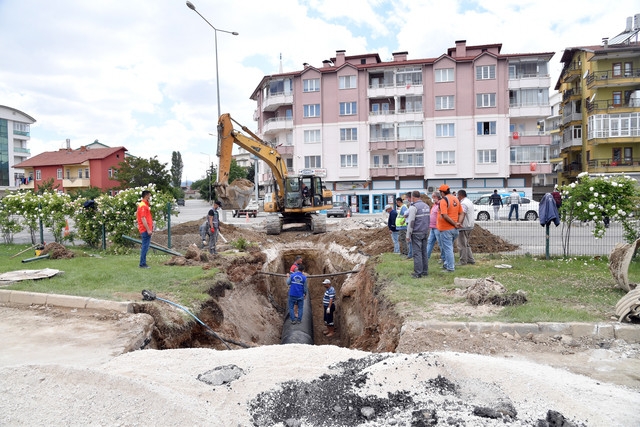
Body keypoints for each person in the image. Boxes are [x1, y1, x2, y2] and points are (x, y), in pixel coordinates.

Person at [437, 184, 462, 272]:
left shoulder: (443, 201)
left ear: (442, 192)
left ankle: (450, 268)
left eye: (440, 192)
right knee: (449, 247)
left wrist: (455, 224)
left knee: (448, 249)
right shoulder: (455, 199)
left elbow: (444, 215)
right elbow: (461, 213)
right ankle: (447, 264)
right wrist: (458, 223)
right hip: (454, 230)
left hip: (446, 229)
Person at [405, 190, 430, 278]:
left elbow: (411, 222)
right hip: (425, 232)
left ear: (413, 197)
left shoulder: (413, 207)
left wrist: (408, 235)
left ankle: (418, 273)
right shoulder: (426, 206)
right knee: (424, 252)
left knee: (417, 253)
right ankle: (425, 271)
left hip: (416, 233)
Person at [457, 190, 475, 265]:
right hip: (470, 225)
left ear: (460, 195)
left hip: (464, 226)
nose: (457, 197)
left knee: (461, 245)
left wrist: (459, 223)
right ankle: (470, 259)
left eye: (458, 196)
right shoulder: (469, 201)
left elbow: (462, 214)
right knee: (466, 243)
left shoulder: (463, 203)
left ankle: (463, 261)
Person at [136, 190, 153, 269]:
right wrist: (148, 229)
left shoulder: (144, 205)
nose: (150, 197)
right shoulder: (143, 206)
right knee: (145, 247)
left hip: (145, 229)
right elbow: (143, 218)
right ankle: (142, 264)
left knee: (145, 246)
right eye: (149, 195)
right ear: (146, 196)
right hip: (145, 230)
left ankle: (143, 263)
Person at [426, 192, 444, 264]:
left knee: (441, 243)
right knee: (430, 242)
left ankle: (443, 258)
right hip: (432, 227)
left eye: (433, 197)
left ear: (437, 197)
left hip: (438, 227)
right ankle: (426, 257)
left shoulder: (440, 204)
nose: (432, 199)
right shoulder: (434, 205)